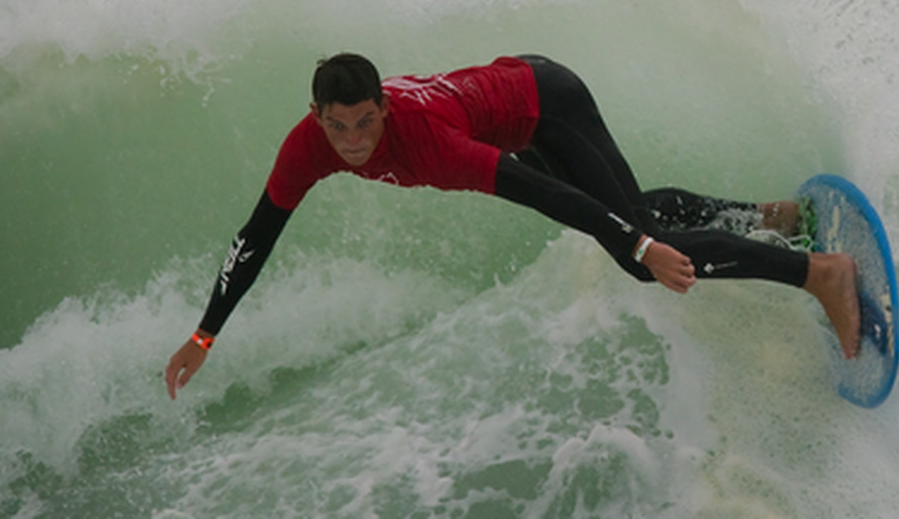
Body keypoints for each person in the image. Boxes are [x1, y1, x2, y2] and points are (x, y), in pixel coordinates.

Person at [165, 54, 859, 400]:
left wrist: (643, 248)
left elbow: (544, 196)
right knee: (628, 210)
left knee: (632, 239)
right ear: (317, 116)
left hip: (547, 103)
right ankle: (767, 217)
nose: (353, 142)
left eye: (365, 123)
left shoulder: (428, 143)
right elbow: (254, 238)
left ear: (383, 108)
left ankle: (819, 274)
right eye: (338, 127)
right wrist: (205, 334)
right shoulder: (307, 146)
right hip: (513, 100)